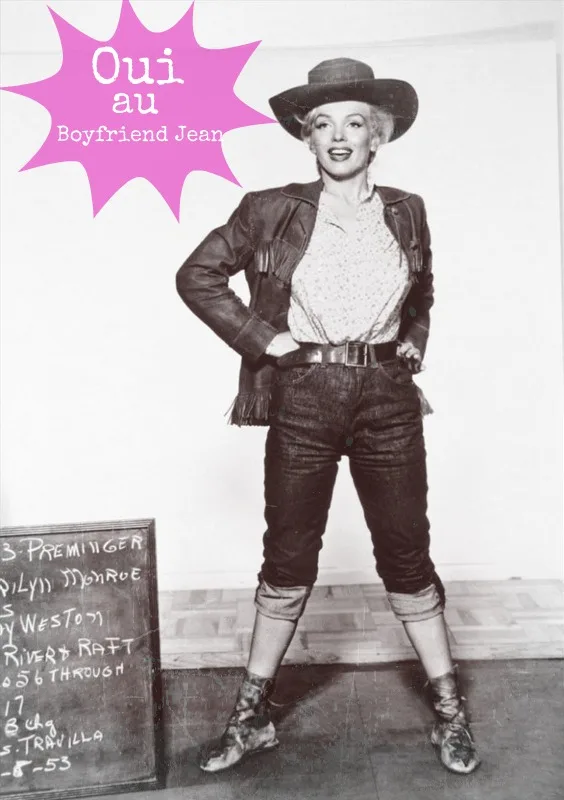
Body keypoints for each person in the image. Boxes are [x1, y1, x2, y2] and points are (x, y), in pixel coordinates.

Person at [176, 57, 480, 776]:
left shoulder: (407, 209)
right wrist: (265, 340)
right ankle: (251, 720)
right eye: (322, 124)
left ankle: (450, 713)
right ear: (306, 138)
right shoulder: (270, 208)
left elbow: (423, 289)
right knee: (288, 557)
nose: (339, 137)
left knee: (405, 553)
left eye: (354, 123)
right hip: (305, 398)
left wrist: (413, 338)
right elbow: (197, 275)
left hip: (388, 400)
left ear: (379, 136)